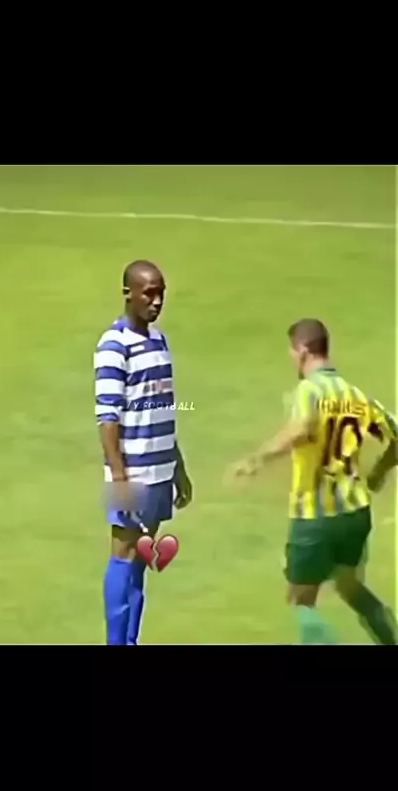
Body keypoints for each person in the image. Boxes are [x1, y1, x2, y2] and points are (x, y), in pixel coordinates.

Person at [227, 318, 397, 645]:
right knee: (349, 585)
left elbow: (303, 427)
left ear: (303, 351)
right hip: (355, 512)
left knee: (301, 599)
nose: (292, 358)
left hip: (315, 516)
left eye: (292, 352)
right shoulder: (356, 395)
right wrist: (378, 473)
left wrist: (256, 459)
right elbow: (396, 434)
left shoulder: (309, 390)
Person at [94, 260, 193, 645]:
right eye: (149, 293)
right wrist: (120, 479)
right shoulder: (113, 345)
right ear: (128, 294)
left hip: (160, 470)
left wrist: (178, 467)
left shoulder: (160, 341)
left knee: (140, 558)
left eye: (161, 294)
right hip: (132, 473)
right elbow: (108, 417)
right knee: (123, 555)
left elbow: (161, 409)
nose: (157, 301)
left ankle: (130, 640)